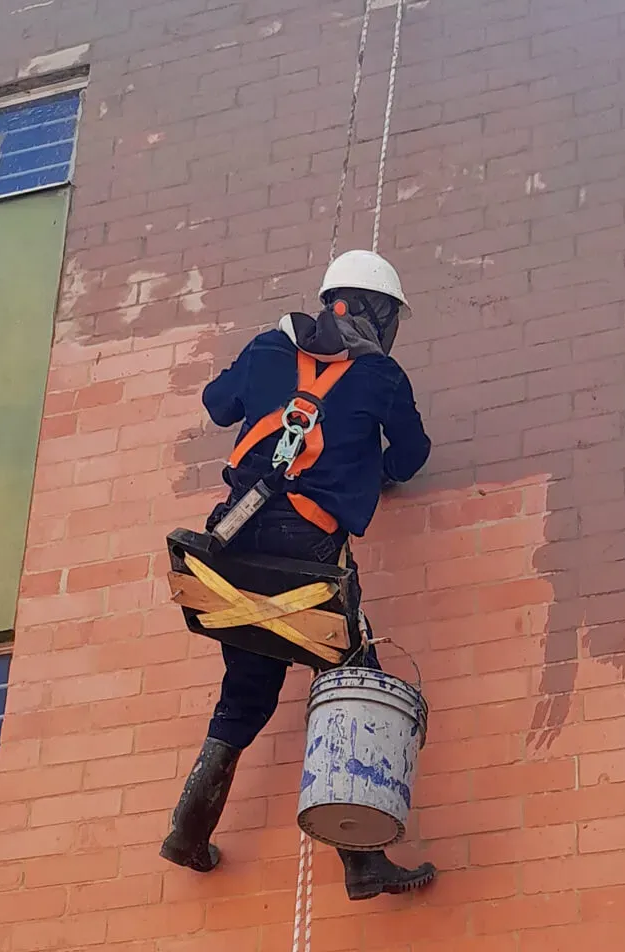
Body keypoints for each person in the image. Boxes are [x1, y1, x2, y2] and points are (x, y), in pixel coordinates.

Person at [160, 250, 437, 901]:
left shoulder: (266, 347)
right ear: (376, 313)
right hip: (306, 559)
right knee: (351, 683)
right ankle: (363, 863)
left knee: (244, 701)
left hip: (232, 554)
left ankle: (187, 832)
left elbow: (216, 402)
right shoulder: (381, 376)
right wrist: (376, 474)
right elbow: (416, 453)